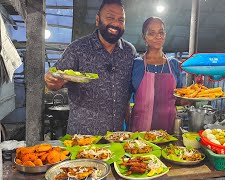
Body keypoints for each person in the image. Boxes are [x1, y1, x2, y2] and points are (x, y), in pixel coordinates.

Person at [44, 0, 137, 135]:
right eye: (110, 17)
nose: (116, 24)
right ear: (98, 20)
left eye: (121, 19)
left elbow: (128, 94)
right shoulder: (78, 49)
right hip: (82, 138)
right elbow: (55, 80)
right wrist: (51, 81)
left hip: (116, 139)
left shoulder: (129, 52)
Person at [129, 17, 184, 134]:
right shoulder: (136, 64)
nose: (158, 36)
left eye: (161, 32)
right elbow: (125, 98)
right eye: (152, 33)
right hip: (140, 133)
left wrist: (192, 99)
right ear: (144, 37)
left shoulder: (173, 64)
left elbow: (178, 99)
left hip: (167, 132)